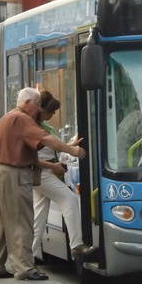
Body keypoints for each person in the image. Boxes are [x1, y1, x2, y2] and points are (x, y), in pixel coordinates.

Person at [0, 87, 86, 281]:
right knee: (21, 220)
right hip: (14, 173)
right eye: (38, 104)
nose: (39, 109)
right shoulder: (22, 119)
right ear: (27, 103)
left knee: (0, 222)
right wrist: (72, 151)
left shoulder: (9, 117)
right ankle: (24, 268)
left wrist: (60, 154)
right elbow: (45, 139)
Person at [32, 91, 94, 264]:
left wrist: (67, 146)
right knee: (70, 199)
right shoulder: (35, 128)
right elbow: (31, 156)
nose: (52, 115)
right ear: (41, 110)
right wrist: (55, 164)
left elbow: (55, 146)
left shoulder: (41, 125)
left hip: (41, 174)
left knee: (39, 216)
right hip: (42, 173)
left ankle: (30, 254)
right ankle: (76, 244)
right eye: (50, 111)